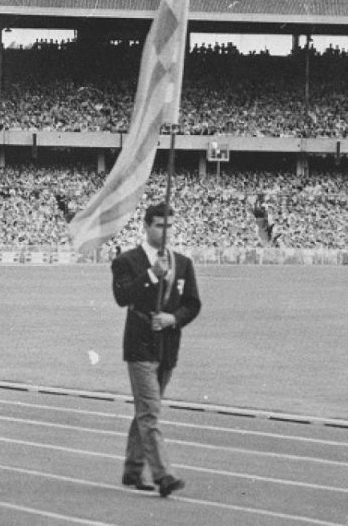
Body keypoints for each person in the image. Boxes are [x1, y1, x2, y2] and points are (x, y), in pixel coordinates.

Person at [111, 203, 201, 498]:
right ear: (146, 226)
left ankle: (133, 468)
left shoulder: (184, 263)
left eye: (170, 225)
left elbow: (192, 303)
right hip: (140, 343)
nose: (166, 231)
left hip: (168, 346)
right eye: (160, 225)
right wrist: (151, 274)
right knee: (150, 411)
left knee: (145, 411)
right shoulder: (127, 260)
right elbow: (122, 297)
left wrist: (174, 318)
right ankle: (164, 475)